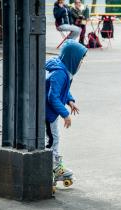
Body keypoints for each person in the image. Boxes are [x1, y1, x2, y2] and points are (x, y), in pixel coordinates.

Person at [45, 40, 87, 182]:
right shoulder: (60, 73)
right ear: (72, 58)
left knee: (53, 138)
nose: (82, 63)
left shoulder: (63, 69)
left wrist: (70, 101)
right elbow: (52, 97)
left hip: (51, 113)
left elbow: (64, 90)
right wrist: (65, 114)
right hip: (48, 113)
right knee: (51, 140)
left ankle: (54, 165)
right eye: (81, 59)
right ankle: (52, 169)